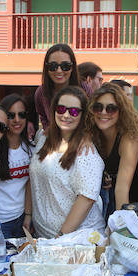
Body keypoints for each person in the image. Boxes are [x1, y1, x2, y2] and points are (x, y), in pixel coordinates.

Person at [30, 86, 104, 238]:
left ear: (83, 115)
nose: (66, 115)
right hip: (45, 238)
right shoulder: (42, 139)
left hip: (76, 241)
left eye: (74, 111)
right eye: (61, 108)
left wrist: (61, 236)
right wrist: (27, 214)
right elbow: (32, 178)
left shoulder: (87, 152)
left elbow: (86, 199)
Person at [87, 83, 138, 218]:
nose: (103, 112)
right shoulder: (93, 135)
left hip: (135, 207)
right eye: (98, 107)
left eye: (111, 108)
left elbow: (122, 189)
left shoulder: (130, 138)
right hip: (109, 206)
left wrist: (122, 227)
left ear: (121, 111)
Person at [0, 94, 34, 239]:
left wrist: (28, 215)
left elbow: (29, 184)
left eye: (21, 115)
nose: (17, 120)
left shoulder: (30, 149)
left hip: (22, 219)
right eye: (11, 115)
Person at [35, 43, 81, 129]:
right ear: (46, 68)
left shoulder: (84, 89)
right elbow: (43, 118)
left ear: (72, 67)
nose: (59, 71)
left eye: (65, 66)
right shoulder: (41, 93)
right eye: (53, 66)